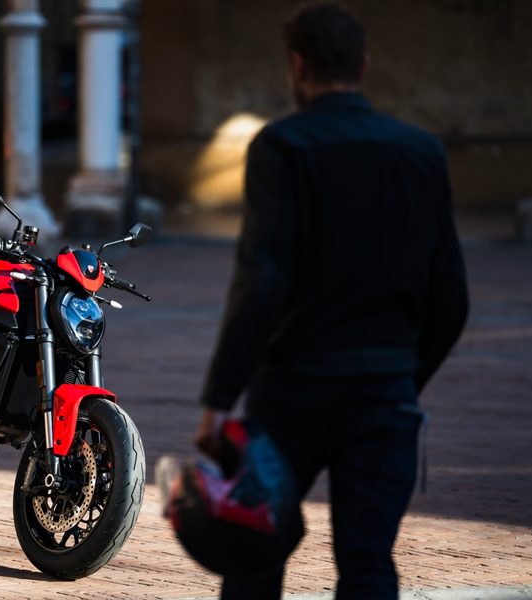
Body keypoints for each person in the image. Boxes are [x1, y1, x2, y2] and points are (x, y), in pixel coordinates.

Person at [194, 2, 469, 599]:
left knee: (253, 556)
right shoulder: (422, 153)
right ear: (363, 64)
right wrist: (401, 377)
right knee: (368, 566)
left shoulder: (282, 146)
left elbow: (262, 283)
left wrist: (219, 398)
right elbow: (451, 298)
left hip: (291, 394)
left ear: (297, 66)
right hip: (384, 392)